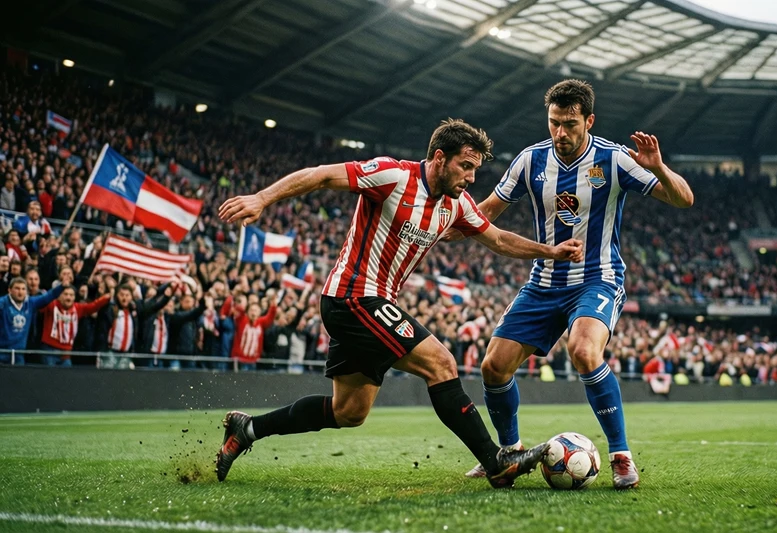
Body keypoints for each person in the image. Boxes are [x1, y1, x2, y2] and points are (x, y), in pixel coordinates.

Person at [215, 118, 584, 488]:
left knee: (348, 411)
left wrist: (550, 251)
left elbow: (499, 239)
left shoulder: (456, 205)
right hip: (353, 296)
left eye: (475, 169)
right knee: (441, 363)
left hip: (370, 305)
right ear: (439, 158)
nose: (471, 178)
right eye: (466, 166)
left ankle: (247, 429)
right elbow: (323, 174)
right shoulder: (393, 176)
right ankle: (496, 462)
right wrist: (261, 198)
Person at [455, 79, 694, 490]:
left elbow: (683, 200)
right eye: (553, 123)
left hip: (598, 278)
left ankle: (621, 457)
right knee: (493, 366)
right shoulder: (531, 161)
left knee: (583, 350)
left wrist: (659, 168)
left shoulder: (615, 159)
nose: (560, 133)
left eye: (569, 124)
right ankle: (508, 453)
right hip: (544, 282)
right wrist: (436, 226)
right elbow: (485, 212)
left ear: (589, 120)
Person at [37, 285, 110, 366]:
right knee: (49, 377)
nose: (68, 297)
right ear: (59, 296)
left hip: (66, 354)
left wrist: (105, 298)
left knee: (68, 378)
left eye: (71, 295)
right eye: (65, 294)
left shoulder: (78, 308)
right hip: (49, 351)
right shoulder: (50, 305)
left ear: (75, 297)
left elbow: (93, 306)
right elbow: (39, 304)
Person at [0, 277, 64, 364]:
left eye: (23, 289)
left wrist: (62, 286)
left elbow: (47, 297)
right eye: (17, 288)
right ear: (9, 290)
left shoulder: (30, 303)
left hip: (19, 353)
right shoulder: (2, 303)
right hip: (2, 352)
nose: (20, 292)